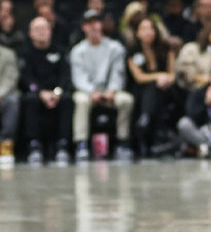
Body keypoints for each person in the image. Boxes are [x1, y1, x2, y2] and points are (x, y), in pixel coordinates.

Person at [70, 9, 134, 161]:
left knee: (126, 100)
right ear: (84, 27)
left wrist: (112, 90)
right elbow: (79, 78)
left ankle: (123, 142)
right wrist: (92, 91)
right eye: (89, 23)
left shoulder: (115, 48)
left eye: (96, 22)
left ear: (101, 25)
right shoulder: (78, 51)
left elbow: (118, 73)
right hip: (87, 91)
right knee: (81, 101)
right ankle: (81, 144)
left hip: (110, 90)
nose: (93, 26)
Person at [19, 17, 73, 165]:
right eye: (37, 29)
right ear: (30, 33)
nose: (41, 32)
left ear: (50, 31)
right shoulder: (25, 53)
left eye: (44, 28)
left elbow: (65, 76)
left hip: (57, 93)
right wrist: (41, 92)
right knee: (30, 100)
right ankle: (34, 145)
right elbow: (26, 79)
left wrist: (57, 92)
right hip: (36, 93)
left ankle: (63, 145)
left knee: (68, 100)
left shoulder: (60, 51)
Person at [126, 15, 178, 156]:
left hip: (166, 88)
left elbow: (172, 74)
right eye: (144, 29)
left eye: (151, 29)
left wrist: (166, 79)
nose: (148, 32)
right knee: (152, 89)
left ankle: (145, 119)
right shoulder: (132, 50)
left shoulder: (166, 48)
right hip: (142, 89)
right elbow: (139, 77)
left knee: (159, 89)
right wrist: (158, 76)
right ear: (137, 32)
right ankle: (155, 134)